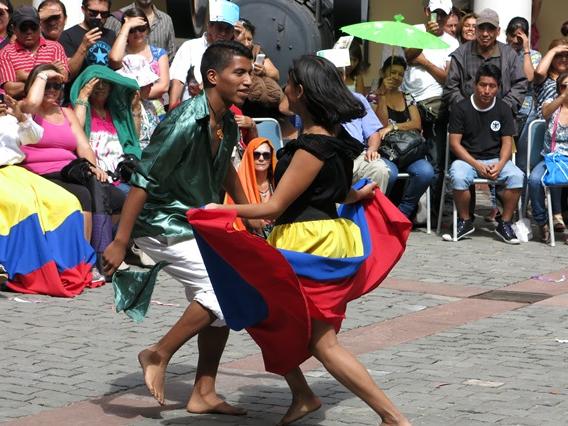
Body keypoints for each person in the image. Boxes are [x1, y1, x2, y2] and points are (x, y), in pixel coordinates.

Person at [202, 54, 411, 426]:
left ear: (300, 92)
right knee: (264, 315)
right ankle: (302, 395)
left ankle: (392, 417)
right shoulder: (335, 141)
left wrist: (223, 212)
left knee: (320, 341)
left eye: (288, 83)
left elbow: (276, 205)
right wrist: (357, 195)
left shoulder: (310, 148)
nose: (283, 88)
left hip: (306, 243)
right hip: (324, 236)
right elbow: (339, 191)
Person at [102, 41, 254, 413]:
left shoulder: (229, 122)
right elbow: (143, 180)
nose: (249, 80)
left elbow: (226, 170)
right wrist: (120, 241)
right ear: (213, 77)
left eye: (251, 72)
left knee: (216, 307)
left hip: (195, 221)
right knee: (223, 291)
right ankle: (158, 354)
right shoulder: (185, 119)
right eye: (241, 73)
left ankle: (203, 392)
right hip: (161, 222)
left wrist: (252, 214)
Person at [19, 65, 126, 273]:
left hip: (72, 172)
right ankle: (84, 261)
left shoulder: (66, 113)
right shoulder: (26, 112)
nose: (52, 90)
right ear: (35, 85)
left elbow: (84, 146)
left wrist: (95, 168)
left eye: (57, 85)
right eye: (46, 85)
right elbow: (31, 103)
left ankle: (102, 251)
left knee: (118, 197)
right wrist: (42, 76)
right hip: (41, 174)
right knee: (84, 196)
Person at [0, 91, 98, 296]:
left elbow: (34, 136)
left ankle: (69, 264)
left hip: (13, 171)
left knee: (67, 202)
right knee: (22, 204)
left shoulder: (8, 104)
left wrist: (18, 116)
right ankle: (17, 269)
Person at [448, 63, 525, 243]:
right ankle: (465, 221)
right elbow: (455, 144)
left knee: (517, 176)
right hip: (467, 159)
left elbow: (507, 142)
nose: (487, 90)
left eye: (492, 86)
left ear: (498, 88)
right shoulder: (461, 108)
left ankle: (504, 223)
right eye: (483, 85)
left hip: (495, 159)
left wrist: (499, 164)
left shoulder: (503, 109)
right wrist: (477, 165)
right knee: (458, 176)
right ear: (475, 85)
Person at [403, 0, 459, 209]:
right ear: (427, 12)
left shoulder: (452, 43)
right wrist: (424, 35)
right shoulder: (414, 31)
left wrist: (425, 62)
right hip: (409, 103)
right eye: (436, 13)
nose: (440, 18)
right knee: (407, 155)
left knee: (436, 162)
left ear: (450, 14)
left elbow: (448, 78)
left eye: (443, 14)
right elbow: (408, 56)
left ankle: (432, 211)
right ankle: (408, 206)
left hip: (437, 105)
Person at [375, 56, 435, 220]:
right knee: (389, 174)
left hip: (409, 153)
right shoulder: (374, 97)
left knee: (426, 172)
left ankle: (403, 213)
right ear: (382, 72)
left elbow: (416, 124)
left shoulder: (407, 96)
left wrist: (393, 127)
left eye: (400, 74)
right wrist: (383, 96)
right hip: (386, 152)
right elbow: (380, 125)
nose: (396, 77)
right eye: (392, 72)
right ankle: (382, 213)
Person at [443, 8, 527, 117]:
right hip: (467, 118)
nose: (485, 33)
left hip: (501, 117)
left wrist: (502, 108)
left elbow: (520, 85)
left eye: (490, 29)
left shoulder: (509, 55)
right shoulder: (461, 54)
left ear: (498, 31)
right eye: (481, 28)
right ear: (475, 30)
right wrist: (467, 108)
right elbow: (451, 88)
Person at [71, 65, 141, 188]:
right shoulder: (79, 110)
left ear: (111, 87)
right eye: (96, 83)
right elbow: (76, 133)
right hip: (97, 174)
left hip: (123, 173)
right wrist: (83, 97)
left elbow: (133, 139)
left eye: (105, 83)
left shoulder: (116, 112)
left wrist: (135, 109)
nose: (101, 87)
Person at [168, 0, 238, 109]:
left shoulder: (234, 54)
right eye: (219, 27)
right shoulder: (190, 47)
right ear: (209, 25)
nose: (223, 33)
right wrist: (172, 111)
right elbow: (178, 81)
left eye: (228, 29)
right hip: (189, 112)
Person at [108, 7, 169, 131]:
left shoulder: (159, 53)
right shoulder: (120, 53)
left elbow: (163, 86)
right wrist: (126, 26)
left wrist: (132, 94)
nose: (137, 33)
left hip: (155, 113)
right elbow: (114, 59)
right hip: (125, 112)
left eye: (141, 29)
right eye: (132, 29)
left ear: (147, 29)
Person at [528, 72, 568, 243]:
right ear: (558, 88)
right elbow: (545, 113)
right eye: (564, 85)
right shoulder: (551, 105)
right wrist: (563, 97)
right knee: (534, 180)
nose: (567, 89)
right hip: (550, 158)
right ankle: (542, 222)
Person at [0, 6, 69, 99]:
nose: (29, 31)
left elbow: (63, 77)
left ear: (40, 26)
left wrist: (25, 76)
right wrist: (49, 73)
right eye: (24, 27)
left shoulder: (55, 47)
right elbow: (11, 90)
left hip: (50, 108)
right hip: (22, 110)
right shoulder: (5, 53)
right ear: (14, 28)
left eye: (33, 27)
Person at [505, 17, 541, 176]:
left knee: (524, 161)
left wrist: (525, 49)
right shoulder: (501, 52)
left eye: (519, 36)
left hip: (527, 112)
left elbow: (530, 77)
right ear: (506, 35)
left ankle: (522, 199)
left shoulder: (534, 55)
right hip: (505, 109)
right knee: (502, 157)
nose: (515, 39)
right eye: (512, 35)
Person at [225, 137, 276, 236]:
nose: (261, 159)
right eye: (256, 155)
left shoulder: (277, 183)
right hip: (247, 238)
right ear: (249, 157)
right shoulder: (237, 186)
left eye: (266, 155)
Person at [59, 0, 116, 80]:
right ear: (83, 9)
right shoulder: (67, 35)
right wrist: (83, 47)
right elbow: (68, 74)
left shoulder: (112, 35)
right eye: (93, 13)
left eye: (104, 14)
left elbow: (117, 68)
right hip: (78, 90)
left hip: (106, 89)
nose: (99, 17)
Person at [105, 0, 176, 61]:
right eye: (132, 30)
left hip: (159, 74)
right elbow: (105, 51)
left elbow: (171, 55)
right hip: (123, 74)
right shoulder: (117, 18)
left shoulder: (166, 20)